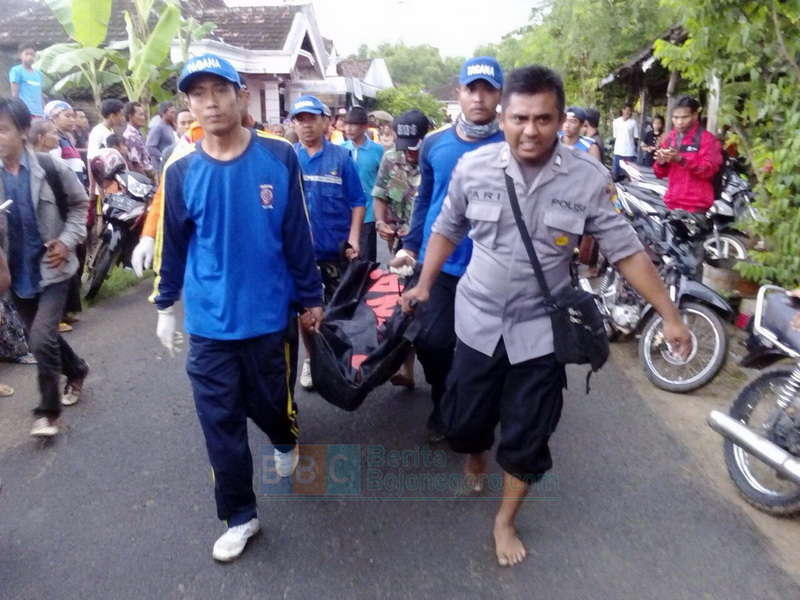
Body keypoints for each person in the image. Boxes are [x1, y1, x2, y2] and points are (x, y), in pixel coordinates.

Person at [401, 65, 692, 568]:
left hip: (540, 329)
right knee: (464, 424)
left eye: (543, 119)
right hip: (477, 322)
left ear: (562, 120)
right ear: (503, 117)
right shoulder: (473, 168)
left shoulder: (587, 178)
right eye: (519, 118)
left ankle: (505, 519)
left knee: (529, 435)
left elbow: (626, 250)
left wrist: (669, 314)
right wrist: (425, 283)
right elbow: (446, 228)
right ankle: (475, 451)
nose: (530, 130)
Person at [153, 54, 323, 562]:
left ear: (240, 95)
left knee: (271, 407)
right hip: (209, 326)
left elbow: (297, 232)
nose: (210, 102)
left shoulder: (278, 156)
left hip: (268, 318)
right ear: (188, 104)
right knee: (220, 423)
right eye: (198, 93)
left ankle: (284, 437)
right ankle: (240, 516)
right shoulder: (181, 169)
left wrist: (311, 297)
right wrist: (165, 305)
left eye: (219, 90)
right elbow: (173, 243)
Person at [394, 56, 505, 440]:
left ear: (499, 96)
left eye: (488, 90)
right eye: (472, 89)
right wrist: (411, 245)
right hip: (438, 264)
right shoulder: (434, 144)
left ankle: (472, 409)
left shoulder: (512, 143)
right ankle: (444, 399)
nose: (479, 97)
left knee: (483, 347)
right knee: (432, 341)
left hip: (491, 267)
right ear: (459, 92)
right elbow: (425, 199)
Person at [0, 98, 90, 437]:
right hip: (16, 274)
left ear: (24, 131)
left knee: (40, 338)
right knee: (43, 336)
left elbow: (80, 205)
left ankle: (47, 412)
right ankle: (76, 369)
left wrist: (66, 241)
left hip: (53, 269)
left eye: (3, 130)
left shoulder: (50, 168)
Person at [290, 94, 365, 390]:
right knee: (306, 314)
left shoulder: (341, 158)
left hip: (335, 252)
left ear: (325, 122)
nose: (306, 125)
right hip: (301, 255)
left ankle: (340, 360)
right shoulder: (288, 158)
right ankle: (312, 360)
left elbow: (357, 201)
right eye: (300, 119)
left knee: (339, 310)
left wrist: (354, 238)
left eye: (311, 118)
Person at [373, 109, 430, 388]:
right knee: (403, 304)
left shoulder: (436, 160)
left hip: (432, 246)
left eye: (414, 148)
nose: (409, 154)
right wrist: (381, 222)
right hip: (399, 246)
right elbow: (380, 195)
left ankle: (438, 365)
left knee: (429, 308)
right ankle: (407, 369)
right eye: (405, 147)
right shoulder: (391, 158)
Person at [654, 97, 722, 213]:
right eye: (676, 117)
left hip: (696, 205)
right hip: (672, 203)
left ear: (695, 115)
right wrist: (661, 163)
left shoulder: (707, 139)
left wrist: (682, 160)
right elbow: (659, 173)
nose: (679, 122)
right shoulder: (670, 138)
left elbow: (709, 171)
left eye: (684, 117)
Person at [342, 106, 384, 263]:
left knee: (365, 261)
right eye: (346, 124)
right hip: (345, 213)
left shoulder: (378, 151)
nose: (348, 128)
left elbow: (384, 183)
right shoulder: (340, 149)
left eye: (353, 124)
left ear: (365, 127)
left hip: (368, 214)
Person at [9, 45, 44, 119]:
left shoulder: (39, 74)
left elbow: (40, 94)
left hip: (39, 113)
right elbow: (15, 94)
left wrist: (43, 110)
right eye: (27, 54)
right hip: (25, 112)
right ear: (20, 56)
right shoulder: (16, 71)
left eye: (32, 55)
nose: (30, 57)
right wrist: (17, 110)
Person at [122, 101, 155, 178]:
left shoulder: (136, 134)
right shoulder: (130, 137)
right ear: (130, 116)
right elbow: (136, 165)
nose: (144, 118)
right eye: (141, 115)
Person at [146, 101, 178, 171]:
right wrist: (163, 157)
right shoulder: (158, 127)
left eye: (174, 112)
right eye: (172, 112)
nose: (174, 114)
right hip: (162, 166)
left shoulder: (170, 126)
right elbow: (150, 147)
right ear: (164, 113)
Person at [611, 103, 639, 180]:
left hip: (629, 152)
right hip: (618, 151)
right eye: (626, 110)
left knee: (628, 175)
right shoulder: (616, 122)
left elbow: (636, 137)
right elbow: (615, 136)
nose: (627, 112)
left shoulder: (633, 123)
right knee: (615, 174)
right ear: (622, 110)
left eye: (629, 110)